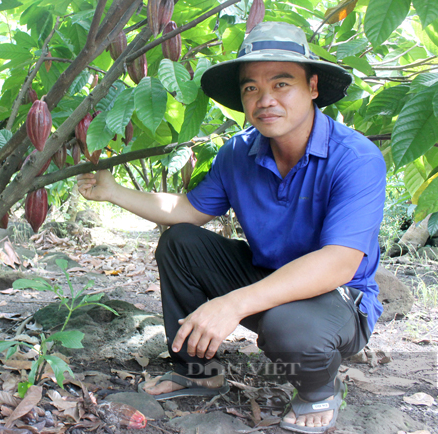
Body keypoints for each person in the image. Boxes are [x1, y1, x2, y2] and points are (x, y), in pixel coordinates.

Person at [77, 22, 386, 433]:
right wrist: (113, 191)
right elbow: (186, 209)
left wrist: (233, 304)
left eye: (281, 84)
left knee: (288, 327)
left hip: (336, 300)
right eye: (251, 88)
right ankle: (197, 371)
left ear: (312, 87)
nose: (265, 100)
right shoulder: (238, 152)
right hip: (268, 279)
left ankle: (318, 390)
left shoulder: (356, 158)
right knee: (180, 243)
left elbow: (338, 263)